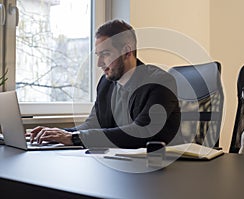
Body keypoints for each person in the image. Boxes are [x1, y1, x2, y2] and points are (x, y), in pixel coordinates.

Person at [28, 19, 182, 149]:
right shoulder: (106, 83)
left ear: (127, 52)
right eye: (98, 55)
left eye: (105, 54)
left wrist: (74, 138)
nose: (99, 63)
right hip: (123, 166)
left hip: (164, 170)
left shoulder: (160, 82)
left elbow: (142, 131)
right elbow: (93, 124)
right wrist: (57, 134)